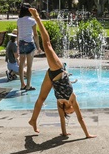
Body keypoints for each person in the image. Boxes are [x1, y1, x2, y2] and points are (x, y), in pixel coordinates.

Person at [27, 8, 95, 138]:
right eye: (73, 111)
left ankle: (33, 120)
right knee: (47, 45)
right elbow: (79, 119)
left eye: (71, 112)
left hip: (52, 76)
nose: (73, 111)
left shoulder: (61, 104)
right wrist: (87, 134)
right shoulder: (72, 99)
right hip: (58, 71)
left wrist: (66, 133)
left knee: (47, 45)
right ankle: (37, 17)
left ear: (67, 109)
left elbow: (69, 120)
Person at [17, 3, 39, 91]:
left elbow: (18, 33)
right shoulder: (32, 21)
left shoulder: (19, 20)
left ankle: (22, 84)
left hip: (21, 43)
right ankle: (28, 85)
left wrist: (18, 44)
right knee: (29, 66)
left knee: (21, 65)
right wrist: (38, 46)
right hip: (29, 43)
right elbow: (36, 35)